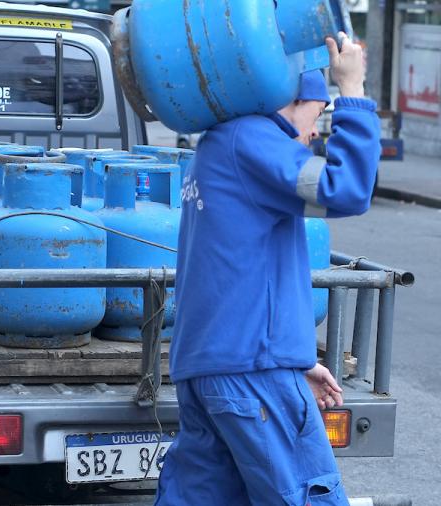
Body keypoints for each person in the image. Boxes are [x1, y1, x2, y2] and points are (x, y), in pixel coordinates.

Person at [155, 32, 380, 506]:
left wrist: (296, 360)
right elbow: (347, 189)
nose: (315, 131)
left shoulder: (218, 144)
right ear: (292, 100)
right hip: (250, 372)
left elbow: (237, 271)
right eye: (317, 114)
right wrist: (353, 91)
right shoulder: (254, 142)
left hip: (210, 369)